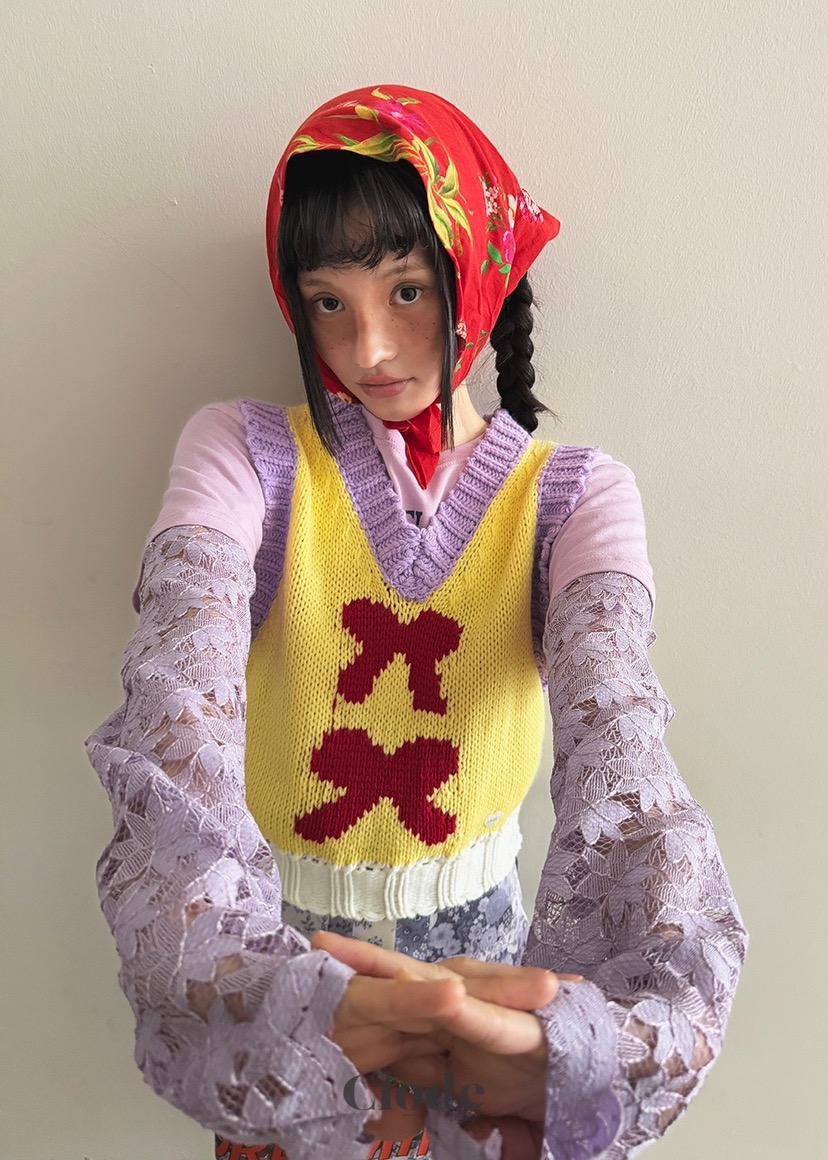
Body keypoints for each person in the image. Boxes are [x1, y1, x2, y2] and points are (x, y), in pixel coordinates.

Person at [87, 85, 747, 1160]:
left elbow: (619, 733)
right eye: (328, 302)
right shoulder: (243, 455)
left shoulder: (574, 498)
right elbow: (177, 688)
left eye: (407, 290)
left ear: (476, 278)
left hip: (487, 983)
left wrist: (620, 1019)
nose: (370, 347)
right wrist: (242, 974)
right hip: (288, 973)